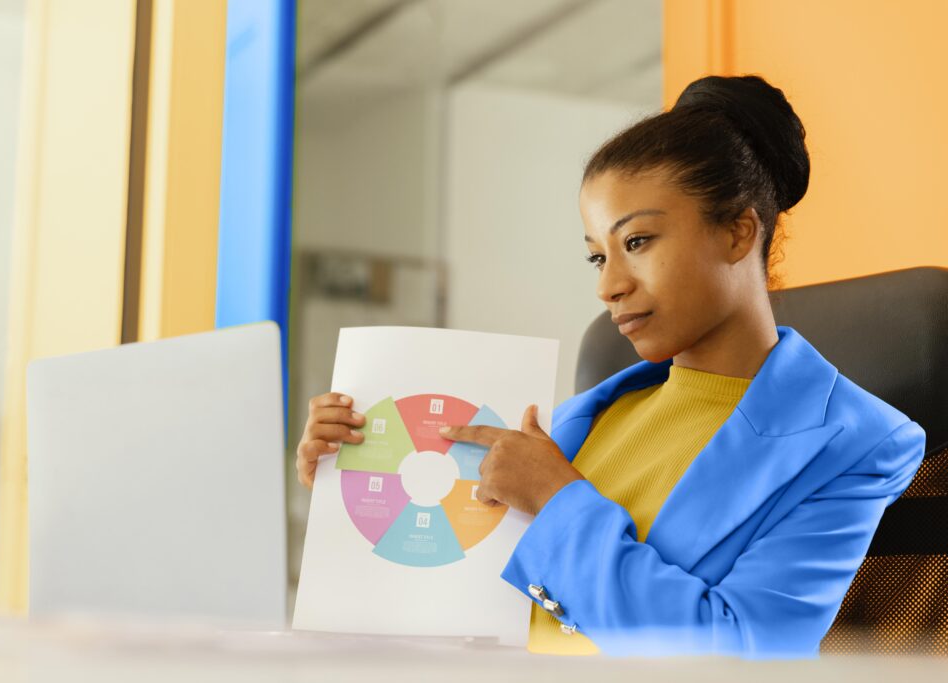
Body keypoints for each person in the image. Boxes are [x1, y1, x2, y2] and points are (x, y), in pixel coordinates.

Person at [295, 74, 926, 659]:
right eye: (599, 257)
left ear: (738, 233)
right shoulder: (571, 424)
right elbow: (444, 589)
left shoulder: (857, 444)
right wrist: (348, 478)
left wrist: (557, 498)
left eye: (638, 242)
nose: (610, 287)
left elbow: (740, 654)